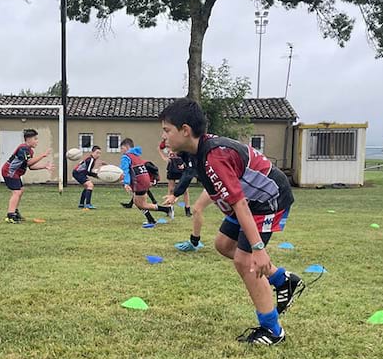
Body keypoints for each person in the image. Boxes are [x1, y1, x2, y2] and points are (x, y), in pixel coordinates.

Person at [160, 98, 304, 346]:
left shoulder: (214, 155)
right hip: (250, 201)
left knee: (244, 260)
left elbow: (240, 204)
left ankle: (273, 330)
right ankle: (282, 280)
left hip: (267, 201)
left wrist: (258, 249)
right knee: (224, 245)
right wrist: (198, 205)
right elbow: (218, 185)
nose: (164, 139)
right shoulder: (199, 150)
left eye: (167, 131)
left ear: (185, 130)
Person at [1, 129, 53, 223]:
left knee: (20, 190)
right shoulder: (23, 148)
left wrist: (44, 166)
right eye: (35, 139)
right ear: (28, 139)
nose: (37, 141)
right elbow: (29, 162)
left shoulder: (29, 151)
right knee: (16, 192)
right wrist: (43, 155)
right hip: (9, 171)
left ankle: (15, 212)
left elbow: (31, 166)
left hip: (15, 173)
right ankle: (10, 216)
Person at [120, 138, 174, 225]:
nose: (121, 151)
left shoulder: (126, 157)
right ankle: (151, 219)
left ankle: (167, 209)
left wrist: (126, 183)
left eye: (122, 148)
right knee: (136, 201)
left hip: (139, 182)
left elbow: (125, 170)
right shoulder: (136, 156)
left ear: (126, 147)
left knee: (142, 204)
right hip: (145, 180)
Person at [158, 138, 192, 217]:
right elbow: (159, 148)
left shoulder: (181, 142)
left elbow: (188, 154)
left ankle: (187, 209)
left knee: (185, 189)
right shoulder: (166, 142)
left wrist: (184, 164)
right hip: (172, 166)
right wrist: (164, 158)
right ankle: (169, 209)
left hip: (180, 165)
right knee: (171, 189)